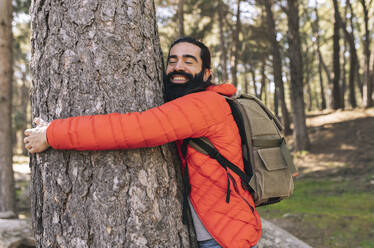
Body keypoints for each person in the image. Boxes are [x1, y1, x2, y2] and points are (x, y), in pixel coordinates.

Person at [24, 37, 261, 248]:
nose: (178, 67)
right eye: (173, 60)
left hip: (223, 237)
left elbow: (131, 129)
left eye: (189, 61)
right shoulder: (202, 102)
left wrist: (52, 134)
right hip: (222, 229)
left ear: (206, 73)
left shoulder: (203, 105)